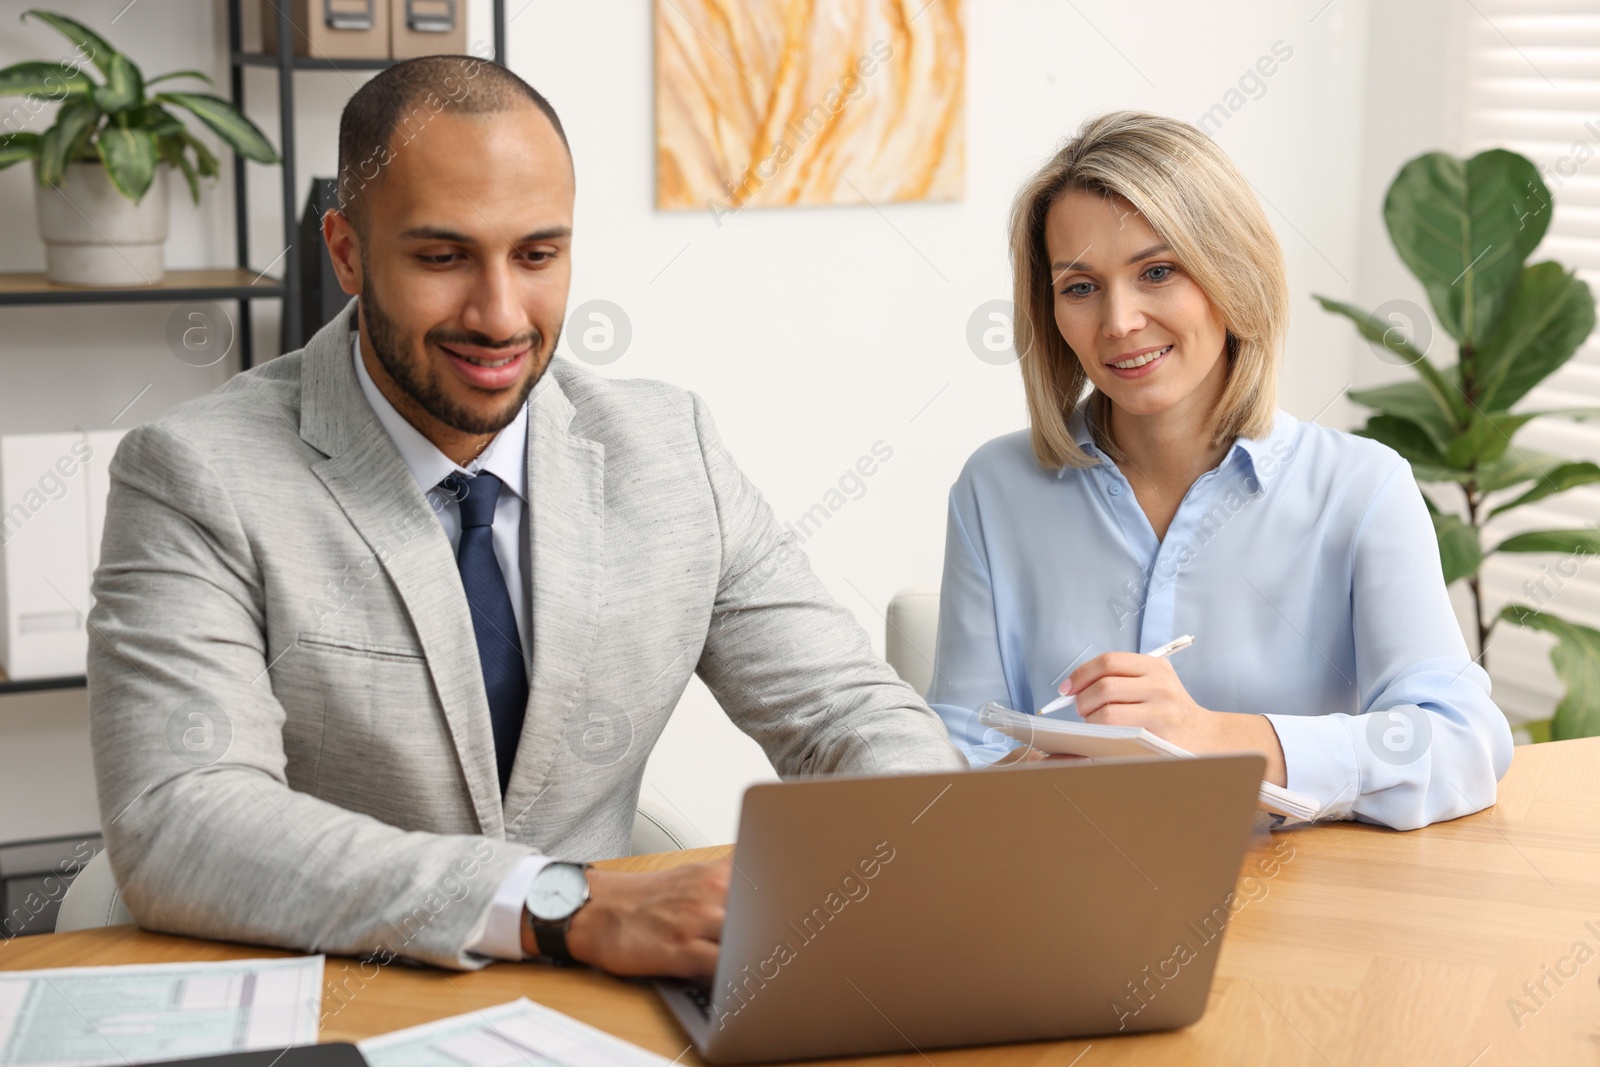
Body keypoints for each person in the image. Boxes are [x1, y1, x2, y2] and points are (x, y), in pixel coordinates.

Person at [87, 55, 961, 978]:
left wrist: (924, 853)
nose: (501, 315)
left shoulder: (673, 451)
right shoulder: (193, 474)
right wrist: (564, 904)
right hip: (336, 997)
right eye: (442, 256)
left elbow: (842, 711)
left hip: (605, 1014)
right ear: (346, 251)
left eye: (537, 255)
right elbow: (181, 817)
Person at [926, 111, 1511, 831]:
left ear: (1230, 272)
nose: (1120, 322)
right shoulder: (996, 488)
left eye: (1158, 271)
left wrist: (1218, 739)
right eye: (1080, 287)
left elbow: (1463, 742)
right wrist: (1047, 773)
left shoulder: (1361, 489)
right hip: (1067, 911)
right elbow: (955, 750)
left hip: (1299, 913)